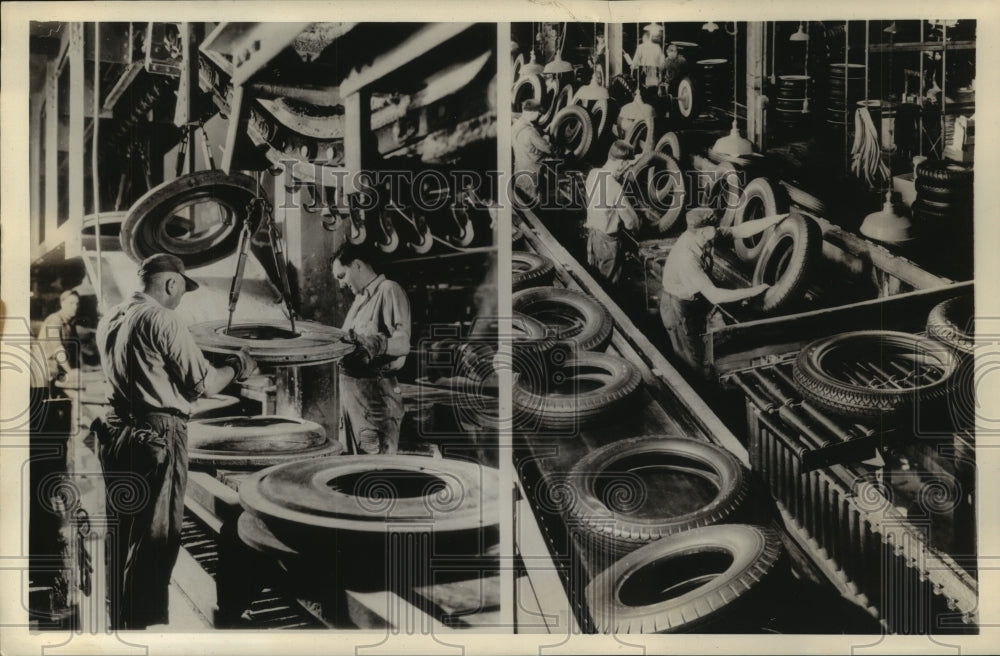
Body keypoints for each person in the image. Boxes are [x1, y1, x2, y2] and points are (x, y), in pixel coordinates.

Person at [93, 253, 256, 629]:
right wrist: (239, 366)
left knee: (123, 532)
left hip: (118, 432)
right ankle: (139, 630)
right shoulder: (164, 318)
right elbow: (205, 385)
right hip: (157, 434)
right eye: (182, 290)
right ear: (171, 284)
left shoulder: (112, 316)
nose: (181, 298)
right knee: (155, 537)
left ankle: (118, 622)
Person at [659, 207, 786, 379]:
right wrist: (753, 291)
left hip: (694, 299)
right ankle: (703, 394)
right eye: (714, 226)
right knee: (692, 359)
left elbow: (739, 230)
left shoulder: (702, 235)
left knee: (701, 342)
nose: (718, 228)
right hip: (679, 307)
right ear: (704, 231)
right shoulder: (687, 257)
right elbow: (715, 295)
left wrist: (775, 219)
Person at [332, 244, 411, 455]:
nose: (341, 284)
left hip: (375, 400)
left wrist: (377, 343)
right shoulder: (359, 300)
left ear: (357, 265)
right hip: (352, 399)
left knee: (375, 471)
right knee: (352, 471)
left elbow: (403, 343)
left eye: (342, 276)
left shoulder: (388, 290)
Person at [584, 140, 642, 286]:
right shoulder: (615, 187)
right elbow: (630, 222)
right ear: (622, 164)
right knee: (609, 286)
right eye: (626, 165)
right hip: (608, 244)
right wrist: (639, 226)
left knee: (595, 281)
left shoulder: (593, 174)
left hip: (593, 237)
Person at [38, 289, 84, 388]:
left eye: (77, 303)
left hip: (59, 371)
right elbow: (58, 350)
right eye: (71, 303)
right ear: (62, 303)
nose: (75, 307)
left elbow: (75, 351)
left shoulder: (70, 324)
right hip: (48, 374)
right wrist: (70, 371)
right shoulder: (54, 321)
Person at [512, 98, 554, 201]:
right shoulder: (531, 132)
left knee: (524, 199)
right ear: (532, 113)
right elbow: (548, 149)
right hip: (532, 174)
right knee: (535, 201)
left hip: (519, 170)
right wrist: (546, 139)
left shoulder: (514, 126)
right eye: (538, 113)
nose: (539, 116)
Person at [631, 24, 666, 89]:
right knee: (654, 89)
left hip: (644, 71)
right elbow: (662, 61)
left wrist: (632, 68)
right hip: (655, 71)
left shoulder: (641, 47)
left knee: (644, 89)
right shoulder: (657, 47)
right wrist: (661, 70)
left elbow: (635, 60)